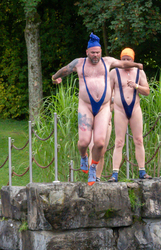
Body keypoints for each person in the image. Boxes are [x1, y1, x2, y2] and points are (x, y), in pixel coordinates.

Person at [52, 33, 143, 185]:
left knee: (100, 143)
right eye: (93, 52)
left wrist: (136, 65)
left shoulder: (107, 62)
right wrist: (54, 77)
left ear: (101, 52)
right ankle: (83, 157)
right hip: (85, 106)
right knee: (83, 142)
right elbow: (65, 69)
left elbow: (123, 64)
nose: (95, 55)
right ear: (87, 52)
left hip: (103, 107)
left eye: (98, 52)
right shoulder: (79, 63)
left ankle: (93, 167)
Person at [108, 48, 152, 182]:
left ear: (133, 60)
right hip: (120, 109)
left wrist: (136, 86)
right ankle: (114, 173)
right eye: (124, 59)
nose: (126, 62)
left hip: (135, 108)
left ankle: (142, 171)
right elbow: (108, 93)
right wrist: (109, 110)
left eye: (129, 59)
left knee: (139, 140)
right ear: (120, 60)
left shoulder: (139, 72)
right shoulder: (114, 72)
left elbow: (147, 91)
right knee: (119, 141)